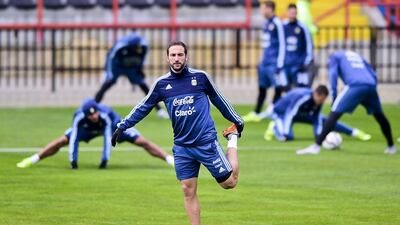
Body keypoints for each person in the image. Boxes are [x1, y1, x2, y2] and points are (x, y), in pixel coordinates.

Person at [111, 41, 244, 225]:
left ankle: (232, 138)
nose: (176, 58)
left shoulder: (201, 78)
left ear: (186, 57)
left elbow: (220, 101)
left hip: (205, 142)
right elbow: (143, 107)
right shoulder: (161, 84)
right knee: (187, 190)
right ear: (167, 58)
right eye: (173, 55)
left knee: (229, 183)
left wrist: (237, 120)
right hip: (182, 147)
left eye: (180, 55)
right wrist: (123, 126)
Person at [17, 99, 174, 169]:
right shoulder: (80, 118)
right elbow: (73, 141)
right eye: (91, 115)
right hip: (87, 129)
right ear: (86, 115)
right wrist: (74, 162)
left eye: (95, 113)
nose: (94, 116)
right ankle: (33, 159)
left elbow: (107, 138)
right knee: (61, 141)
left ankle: (169, 159)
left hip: (113, 126)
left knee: (142, 141)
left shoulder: (106, 115)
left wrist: (104, 161)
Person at [297, 50, 396, 155]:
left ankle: (316, 146)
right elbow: (373, 73)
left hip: (355, 85)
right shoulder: (357, 55)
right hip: (370, 85)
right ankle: (391, 146)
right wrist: (372, 89)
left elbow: (333, 74)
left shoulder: (334, 56)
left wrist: (334, 95)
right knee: (379, 116)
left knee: (334, 114)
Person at [94, 32, 169, 119]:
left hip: (131, 67)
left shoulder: (144, 46)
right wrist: (108, 72)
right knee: (106, 85)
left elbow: (143, 58)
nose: (138, 49)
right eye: (136, 47)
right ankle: (93, 107)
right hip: (117, 66)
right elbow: (111, 57)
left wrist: (139, 69)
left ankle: (159, 110)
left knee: (144, 86)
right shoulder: (121, 45)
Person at [263, 86, 371, 142]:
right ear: (316, 94)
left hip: (298, 114)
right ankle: (275, 127)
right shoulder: (303, 97)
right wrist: (285, 133)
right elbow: (290, 114)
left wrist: (319, 136)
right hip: (281, 114)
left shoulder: (318, 101)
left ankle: (354, 132)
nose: (322, 102)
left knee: (328, 120)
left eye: (324, 99)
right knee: (287, 137)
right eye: (321, 99)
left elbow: (317, 118)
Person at [243, 0, 286, 123]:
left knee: (278, 87)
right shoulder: (266, 23)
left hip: (274, 63)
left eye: (263, 8)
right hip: (265, 62)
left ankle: (274, 111)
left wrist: (280, 62)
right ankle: (256, 112)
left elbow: (282, 44)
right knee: (262, 87)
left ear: (269, 9)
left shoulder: (277, 23)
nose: (261, 11)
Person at [283, 3, 314, 88]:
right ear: (287, 13)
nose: (292, 15)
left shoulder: (302, 27)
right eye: (291, 13)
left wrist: (306, 61)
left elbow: (309, 44)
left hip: (299, 64)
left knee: (300, 88)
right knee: (285, 89)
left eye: (294, 13)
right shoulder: (283, 26)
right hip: (286, 64)